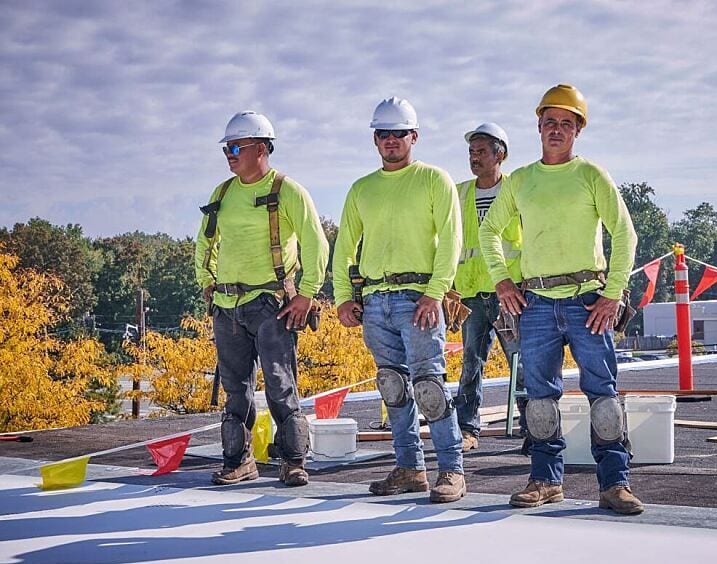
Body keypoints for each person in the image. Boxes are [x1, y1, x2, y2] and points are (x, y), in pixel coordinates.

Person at [478, 85, 643, 514]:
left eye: (566, 124)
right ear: (538, 126)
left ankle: (614, 484)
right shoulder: (520, 181)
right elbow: (488, 231)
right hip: (535, 302)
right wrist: (503, 282)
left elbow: (625, 233)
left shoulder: (591, 176)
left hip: (588, 300)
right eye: (550, 122)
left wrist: (612, 293)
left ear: (578, 131)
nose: (556, 130)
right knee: (539, 397)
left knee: (603, 395)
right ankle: (546, 480)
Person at [333, 96, 466, 503]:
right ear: (375, 139)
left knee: (429, 385)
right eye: (383, 134)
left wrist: (435, 292)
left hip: (418, 298)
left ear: (414, 136)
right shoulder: (362, 189)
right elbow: (344, 248)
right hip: (376, 300)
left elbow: (451, 241)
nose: (390, 140)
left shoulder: (433, 180)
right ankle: (410, 468)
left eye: (398, 133)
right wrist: (342, 297)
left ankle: (452, 470)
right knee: (393, 386)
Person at [195, 110, 329, 487]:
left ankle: (293, 462)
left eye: (236, 146)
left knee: (279, 383)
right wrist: (207, 282)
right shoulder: (222, 194)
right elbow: (204, 242)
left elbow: (316, 243)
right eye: (227, 148)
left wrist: (306, 295)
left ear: (262, 148)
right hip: (226, 307)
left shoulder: (286, 190)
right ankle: (239, 462)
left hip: (271, 305)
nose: (229, 153)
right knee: (235, 390)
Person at [452, 123, 527, 452]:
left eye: (482, 151)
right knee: (471, 362)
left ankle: (534, 428)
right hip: (471, 292)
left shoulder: (519, 190)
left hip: (509, 292)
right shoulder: (459, 193)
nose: (474, 158)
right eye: (472, 152)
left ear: (501, 155)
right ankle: (467, 429)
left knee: (521, 362)